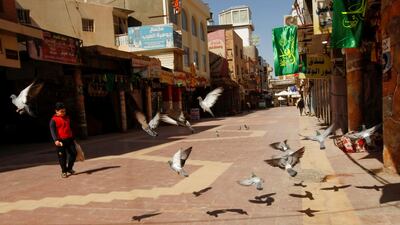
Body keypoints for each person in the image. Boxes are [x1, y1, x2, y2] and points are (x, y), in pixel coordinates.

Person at [49, 102, 77, 178]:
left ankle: (69, 168)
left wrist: (73, 137)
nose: (63, 113)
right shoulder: (53, 120)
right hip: (60, 141)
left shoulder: (67, 118)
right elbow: (52, 131)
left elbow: (70, 128)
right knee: (62, 157)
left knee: (74, 153)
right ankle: (64, 171)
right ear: (56, 111)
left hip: (70, 139)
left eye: (64, 111)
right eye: (61, 111)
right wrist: (55, 140)